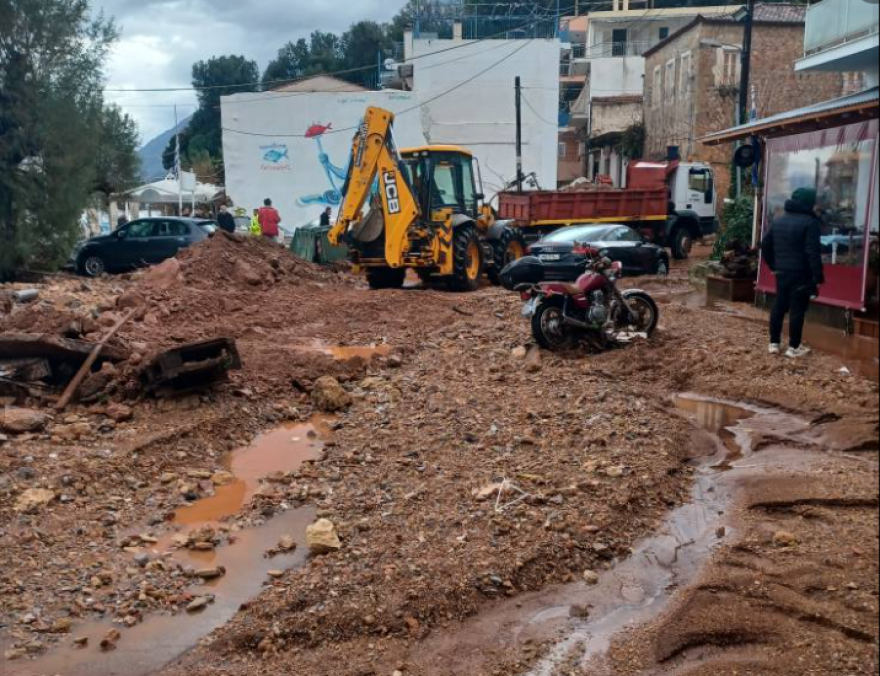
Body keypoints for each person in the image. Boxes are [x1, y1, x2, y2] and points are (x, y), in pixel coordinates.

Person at [761, 187, 825, 359]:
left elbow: (765, 245)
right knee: (797, 309)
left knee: (779, 306)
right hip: (801, 273)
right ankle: (793, 347)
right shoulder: (810, 222)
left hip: (781, 272)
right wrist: (818, 277)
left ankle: (773, 344)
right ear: (808, 203)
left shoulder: (779, 220)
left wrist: (774, 266)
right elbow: (813, 253)